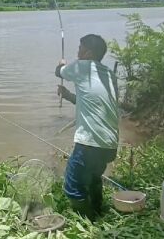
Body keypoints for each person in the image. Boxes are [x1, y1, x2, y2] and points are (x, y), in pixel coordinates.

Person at [55, 34, 119, 219]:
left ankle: (88, 222)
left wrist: (61, 63)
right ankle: (98, 212)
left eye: (80, 49)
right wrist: (67, 95)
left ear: (88, 53)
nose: (77, 52)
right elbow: (95, 103)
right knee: (93, 179)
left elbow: (58, 71)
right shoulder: (110, 75)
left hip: (90, 144)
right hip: (110, 145)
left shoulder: (80, 67)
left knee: (72, 187)